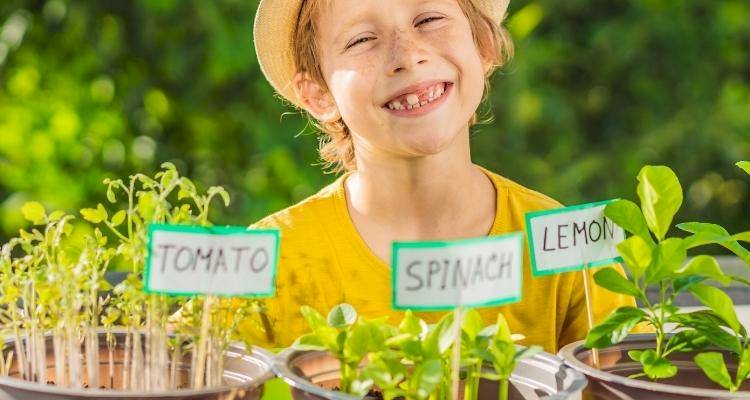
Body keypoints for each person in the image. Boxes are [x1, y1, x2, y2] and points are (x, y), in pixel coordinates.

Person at [244, 0, 634, 352]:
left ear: (484, 45)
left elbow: (623, 377)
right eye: (362, 40)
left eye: (429, 19)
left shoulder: (569, 255)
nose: (408, 56)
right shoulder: (273, 262)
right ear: (318, 95)